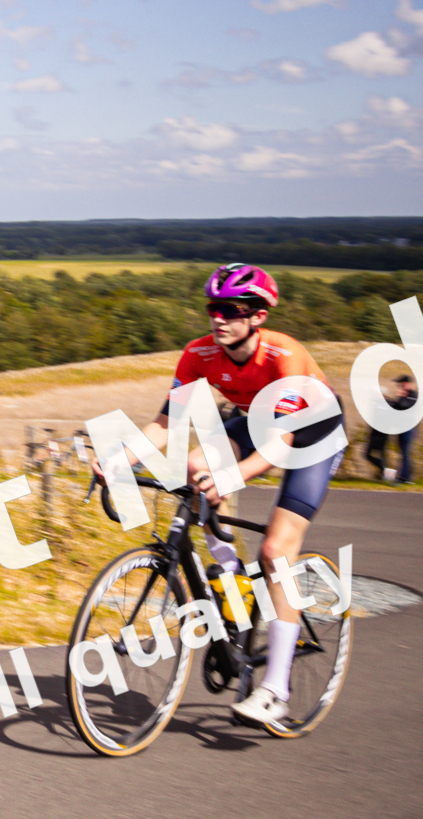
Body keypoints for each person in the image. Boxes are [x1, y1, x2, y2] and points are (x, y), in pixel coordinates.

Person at [139, 262, 346, 735]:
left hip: (310, 437)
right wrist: (113, 461)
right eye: (213, 308)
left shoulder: (283, 356)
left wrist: (231, 475)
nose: (218, 318)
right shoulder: (201, 353)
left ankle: (275, 691)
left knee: (276, 550)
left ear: (257, 316)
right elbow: (165, 423)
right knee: (195, 465)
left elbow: (280, 447)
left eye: (230, 310)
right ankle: (232, 578)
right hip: (256, 422)